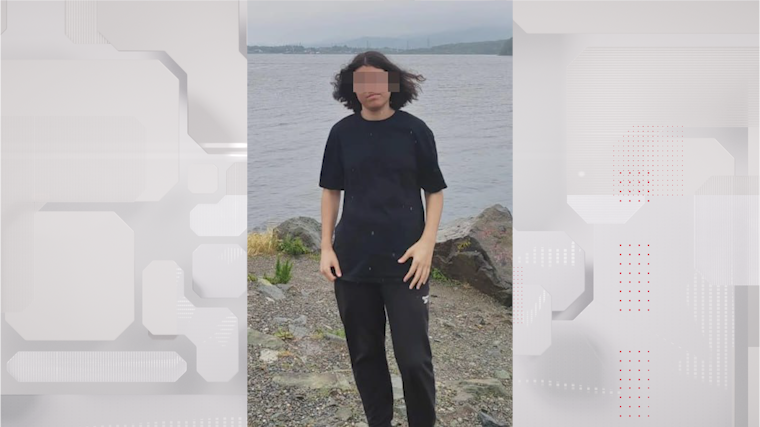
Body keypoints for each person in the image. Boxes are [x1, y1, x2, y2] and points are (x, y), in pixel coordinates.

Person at [318, 50, 447, 427]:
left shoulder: (415, 131)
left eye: (376, 79)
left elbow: (434, 191)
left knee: (414, 359)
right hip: (353, 262)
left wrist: (427, 244)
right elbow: (331, 191)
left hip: (407, 264)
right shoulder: (342, 133)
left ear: (392, 84)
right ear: (352, 89)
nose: (369, 88)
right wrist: (326, 247)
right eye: (361, 82)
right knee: (365, 355)